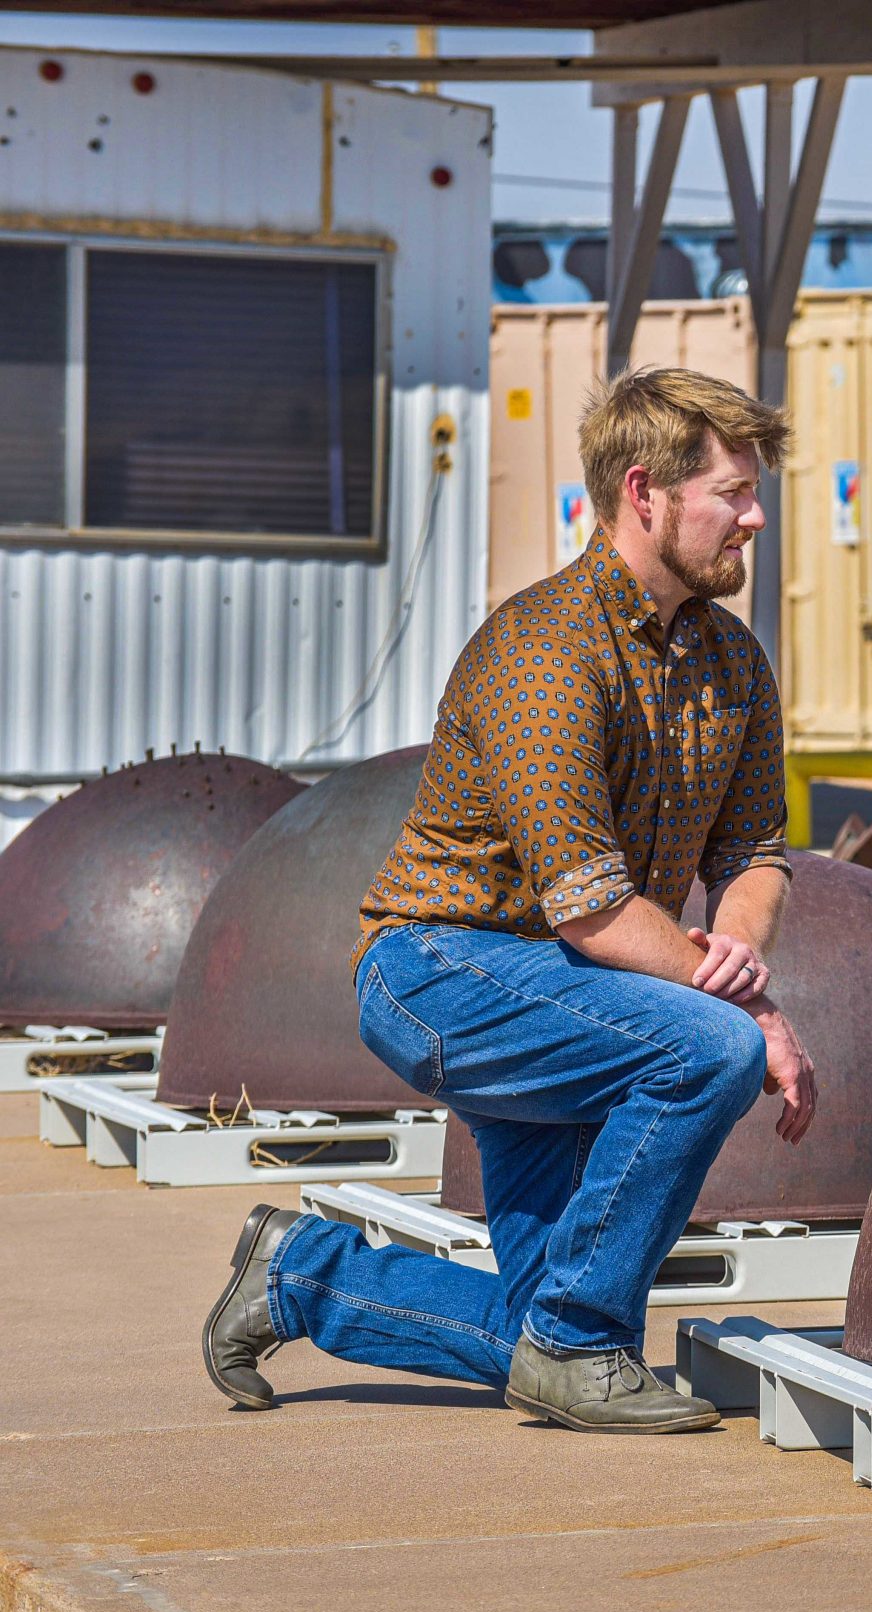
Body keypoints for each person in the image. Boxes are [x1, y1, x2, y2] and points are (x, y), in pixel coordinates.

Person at [202, 368, 817, 1435]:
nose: (754, 516)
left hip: (574, 989)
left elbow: (757, 850)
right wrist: (746, 1012)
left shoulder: (734, 664)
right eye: (730, 492)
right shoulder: (543, 650)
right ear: (645, 493)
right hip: (440, 972)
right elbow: (588, 904)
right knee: (707, 1050)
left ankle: (302, 1271)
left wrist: (741, 958)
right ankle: (581, 1340)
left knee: (535, 1331)